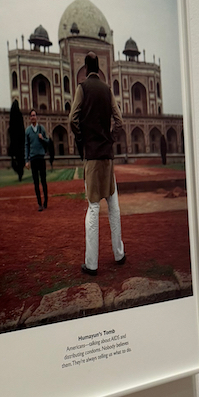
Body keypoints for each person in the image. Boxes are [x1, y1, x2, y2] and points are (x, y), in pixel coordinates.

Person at [68, 52, 127, 274]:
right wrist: (110, 138)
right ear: (99, 68)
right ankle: (119, 254)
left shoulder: (82, 88)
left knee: (93, 207)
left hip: (92, 156)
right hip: (107, 157)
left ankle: (91, 264)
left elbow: (72, 119)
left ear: (85, 68)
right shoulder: (107, 89)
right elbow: (119, 122)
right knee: (114, 206)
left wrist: (83, 139)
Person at [24, 108, 50, 210]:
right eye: (31, 116)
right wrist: (26, 160)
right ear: (29, 118)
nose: (33, 117)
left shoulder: (41, 128)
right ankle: (39, 204)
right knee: (36, 182)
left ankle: (45, 201)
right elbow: (26, 145)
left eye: (34, 115)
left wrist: (42, 138)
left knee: (43, 181)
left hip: (41, 157)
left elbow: (48, 142)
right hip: (33, 158)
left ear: (36, 117)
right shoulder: (28, 131)